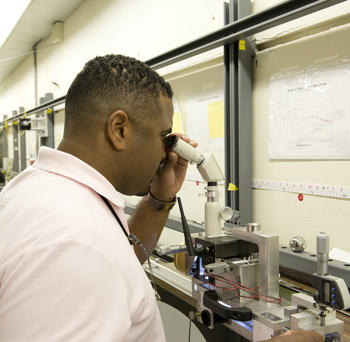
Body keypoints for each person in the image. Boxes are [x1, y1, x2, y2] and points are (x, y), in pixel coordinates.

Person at [0, 54, 323, 342]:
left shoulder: (41, 187)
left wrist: (161, 196)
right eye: (162, 136)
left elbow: (120, 258)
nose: (164, 151)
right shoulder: (75, 243)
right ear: (119, 129)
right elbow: (93, 256)